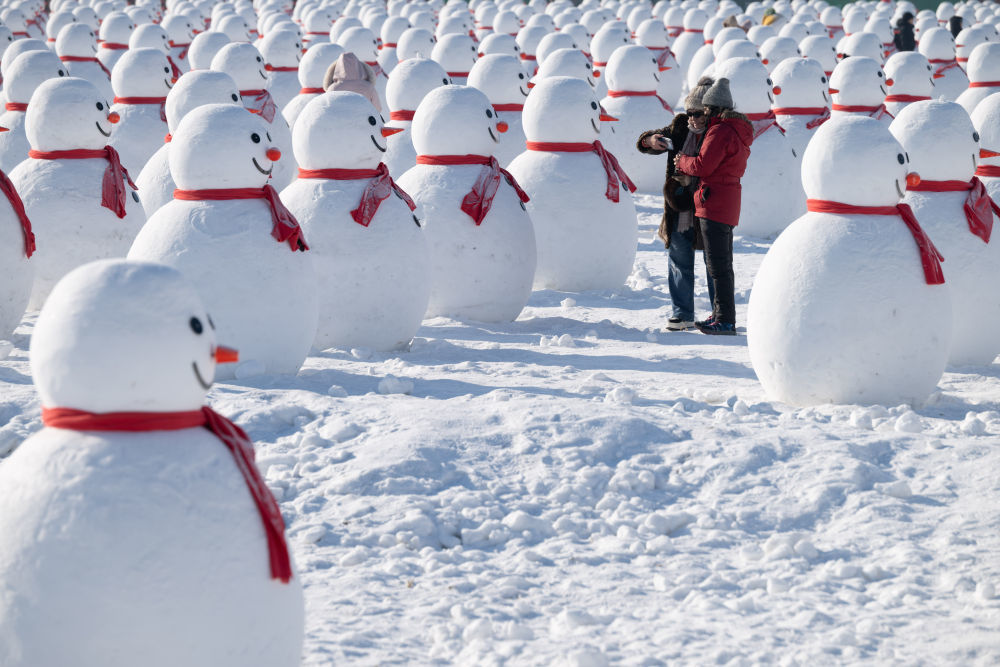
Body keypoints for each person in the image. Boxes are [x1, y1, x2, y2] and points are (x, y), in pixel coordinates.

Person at [673, 78, 752, 335]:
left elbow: (702, 166)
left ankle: (725, 320)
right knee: (720, 263)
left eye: (706, 110)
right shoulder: (736, 129)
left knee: (717, 265)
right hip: (726, 199)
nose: (703, 114)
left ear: (715, 109)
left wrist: (682, 161)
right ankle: (720, 314)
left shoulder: (720, 131)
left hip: (714, 200)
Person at [636, 77, 715, 331]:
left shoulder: (720, 131)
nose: (693, 118)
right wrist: (652, 140)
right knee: (679, 260)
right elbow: (645, 142)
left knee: (715, 264)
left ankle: (720, 313)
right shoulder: (680, 127)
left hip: (710, 205)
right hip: (680, 207)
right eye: (690, 111)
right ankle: (682, 314)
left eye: (699, 113)